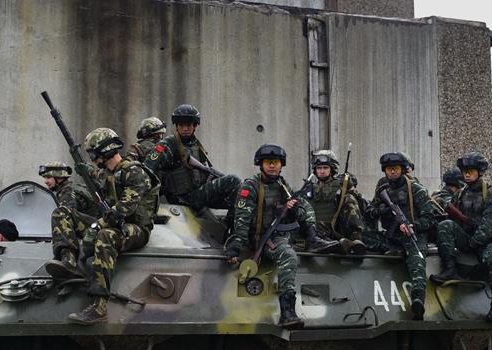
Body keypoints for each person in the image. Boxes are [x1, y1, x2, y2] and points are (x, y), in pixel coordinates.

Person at [224, 144, 339, 329]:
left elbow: (297, 209)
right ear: (260, 165)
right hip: (258, 238)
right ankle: (287, 312)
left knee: (303, 205)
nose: (272, 166)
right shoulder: (250, 187)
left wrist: (292, 209)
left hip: (278, 234)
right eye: (268, 163)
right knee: (288, 256)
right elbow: (242, 220)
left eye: (276, 163)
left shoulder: (282, 185)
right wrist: (235, 246)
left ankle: (313, 240)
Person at [67, 128, 160, 325]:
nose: (92, 158)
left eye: (93, 154)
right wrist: (81, 171)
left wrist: (96, 225)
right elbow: (95, 175)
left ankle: (99, 307)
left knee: (105, 235)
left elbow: (125, 208)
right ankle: (67, 261)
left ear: (105, 151)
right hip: (115, 224)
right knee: (64, 214)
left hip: (136, 229)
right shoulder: (107, 173)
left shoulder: (135, 173)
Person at [431, 151, 492, 321]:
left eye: (470, 171)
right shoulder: (460, 194)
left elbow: (490, 224)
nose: (466, 174)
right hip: (467, 238)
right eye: (464, 171)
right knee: (445, 226)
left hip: (487, 242)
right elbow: (454, 217)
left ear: (479, 172)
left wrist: (475, 242)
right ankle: (450, 269)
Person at [363, 153, 436, 320]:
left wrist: (413, 225)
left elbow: (429, 218)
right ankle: (392, 249)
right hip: (391, 237)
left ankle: (418, 299)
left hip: (412, 236)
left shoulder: (416, 189)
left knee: (417, 262)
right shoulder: (383, 191)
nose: (392, 172)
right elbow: (368, 214)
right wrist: (384, 210)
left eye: (395, 169)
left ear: (402, 169)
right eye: (389, 169)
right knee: (363, 235)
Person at [144, 104, 241, 222]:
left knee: (241, 196)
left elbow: (202, 171)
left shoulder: (196, 145)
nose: (185, 129)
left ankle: (229, 227)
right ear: (176, 126)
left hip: (197, 194)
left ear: (195, 126)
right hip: (183, 198)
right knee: (233, 180)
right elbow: (147, 168)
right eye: (181, 125)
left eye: (188, 125)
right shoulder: (168, 144)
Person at [40, 161, 103, 280]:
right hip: (94, 226)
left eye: (48, 177)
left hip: (95, 229)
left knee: (60, 213)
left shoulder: (68, 192)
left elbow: (66, 221)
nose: (46, 181)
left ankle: (69, 259)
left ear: (59, 178)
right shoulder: (72, 188)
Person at [304, 149, 366, 255]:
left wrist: (350, 189)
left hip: (335, 231)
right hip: (315, 232)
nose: (322, 171)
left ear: (332, 169)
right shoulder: (308, 188)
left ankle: (355, 240)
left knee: (349, 198)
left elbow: (363, 207)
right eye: (319, 168)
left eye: (325, 168)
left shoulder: (341, 185)